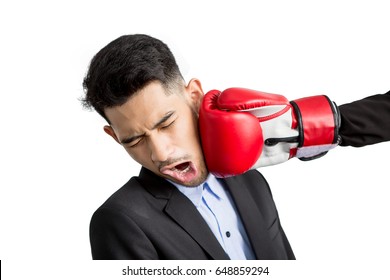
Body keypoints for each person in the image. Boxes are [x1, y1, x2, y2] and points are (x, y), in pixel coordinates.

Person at [82, 34, 390, 260]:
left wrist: (313, 127)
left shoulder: (249, 179)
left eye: (166, 123)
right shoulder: (120, 221)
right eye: (133, 140)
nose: (160, 153)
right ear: (113, 136)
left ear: (195, 96)